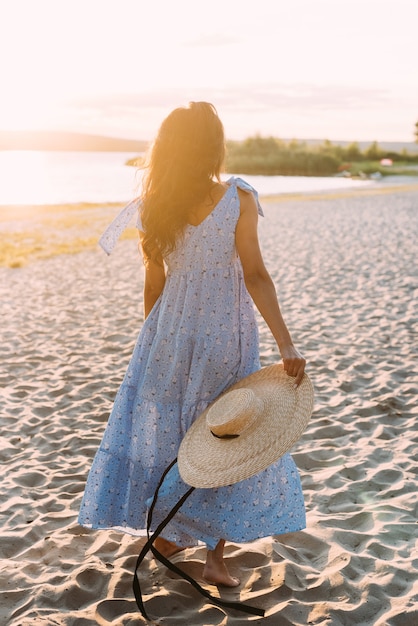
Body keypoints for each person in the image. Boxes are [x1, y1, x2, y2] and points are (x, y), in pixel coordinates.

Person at [78, 101, 306, 588]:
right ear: (214, 147)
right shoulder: (238, 197)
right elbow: (256, 275)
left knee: (169, 430)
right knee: (223, 439)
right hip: (227, 335)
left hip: (169, 335)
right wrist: (286, 345)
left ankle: (169, 533)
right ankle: (214, 555)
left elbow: (153, 285)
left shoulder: (153, 205)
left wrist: (151, 341)